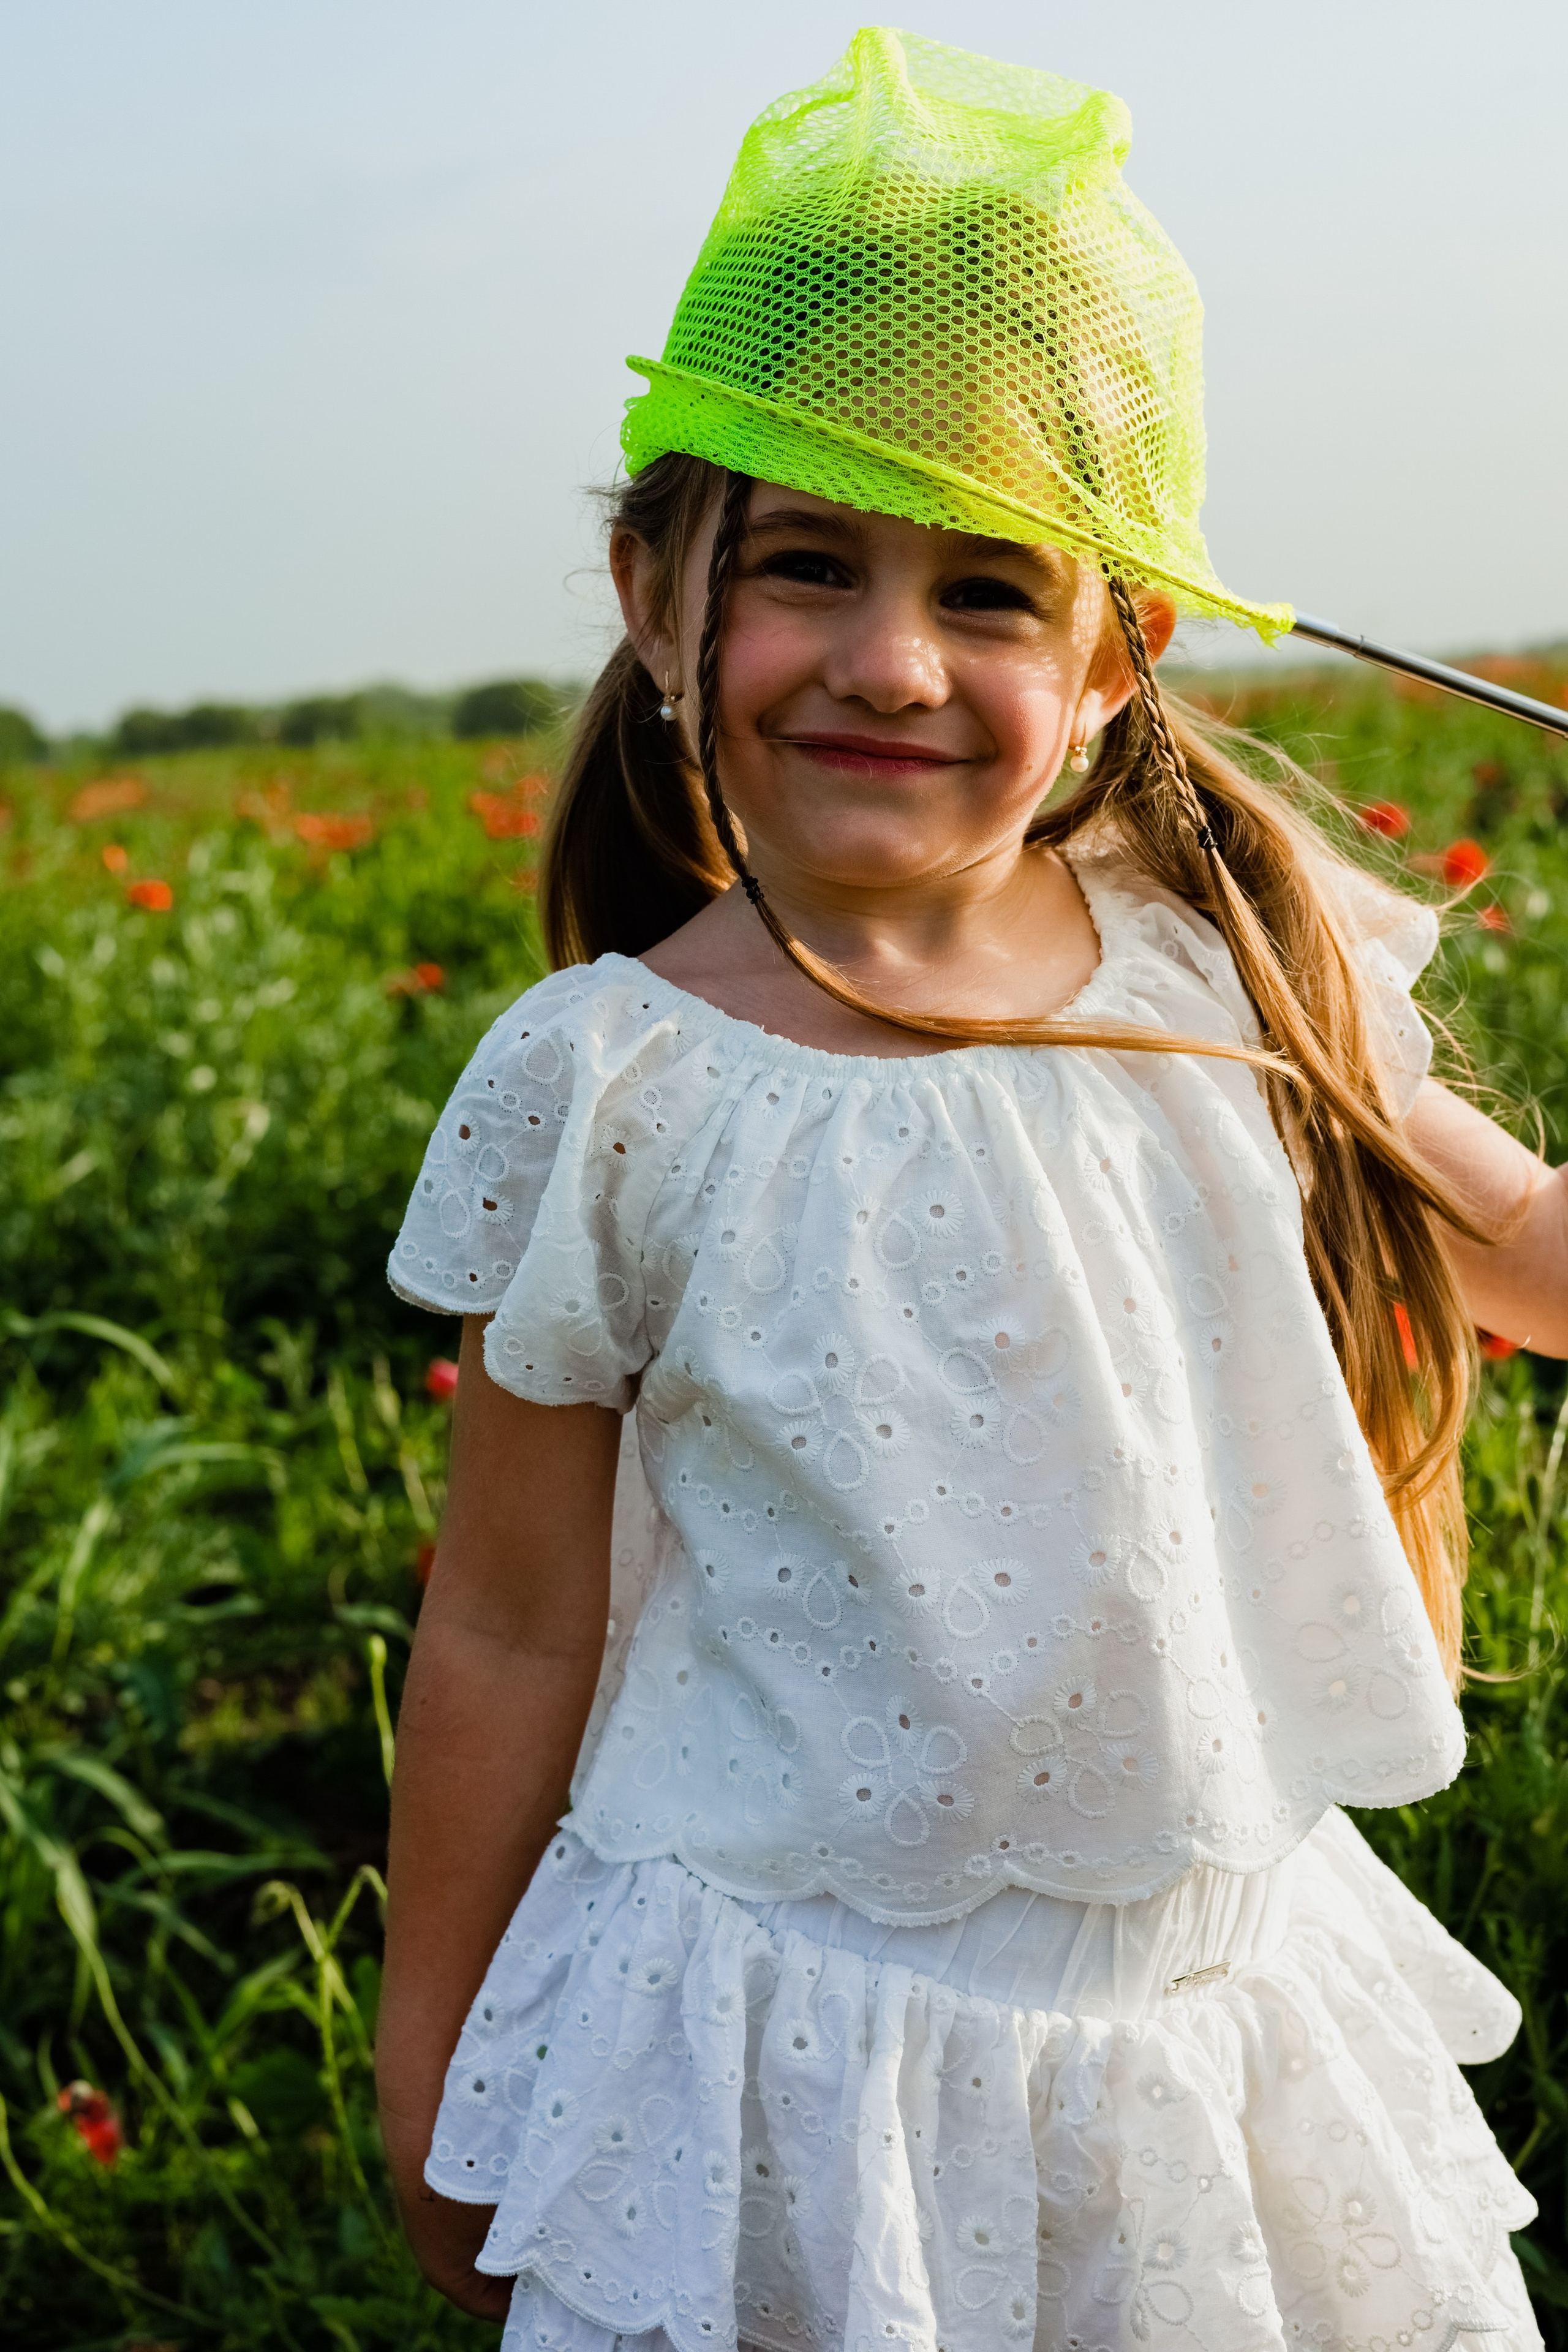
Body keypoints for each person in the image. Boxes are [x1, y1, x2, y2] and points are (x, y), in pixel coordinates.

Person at [375, 30, 1558, 2351]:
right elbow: (511, 1623)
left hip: (1205, 2031)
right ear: (653, 590)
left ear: (1123, 647)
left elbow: (1534, 1263)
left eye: (995, 594)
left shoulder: (1235, 964)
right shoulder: (610, 1080)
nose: (891, 661)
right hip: (767, 2052)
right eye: (808, 564)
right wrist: (433, 2063)